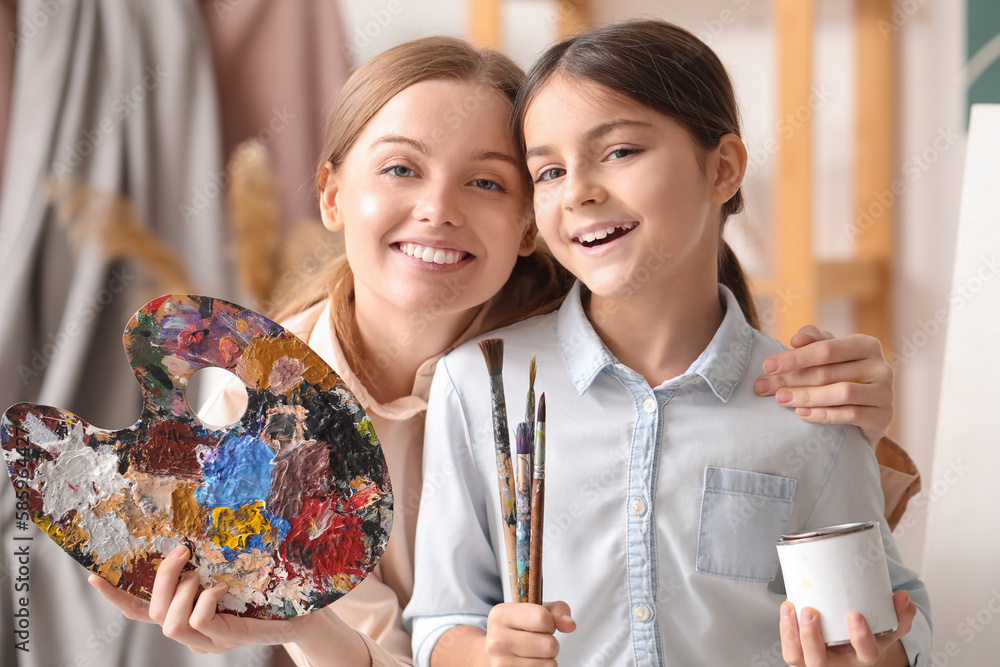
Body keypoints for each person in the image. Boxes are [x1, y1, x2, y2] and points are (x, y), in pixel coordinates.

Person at [91, 35, 918, 667]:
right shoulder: (257, 414)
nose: (438, 210)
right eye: (401, 169)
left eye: (488, 180)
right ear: (333, 193)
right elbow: (418, 638)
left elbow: (838, 553)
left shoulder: (617, 314)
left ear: (525, 228)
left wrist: (866, 410)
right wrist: (300, 621)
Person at [405, 21, 931, 667]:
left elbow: (889, 612)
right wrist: (486, 653)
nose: (578, 191)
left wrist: (884, 653)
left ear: (724, 169)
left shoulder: (808, 403)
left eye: (620, 151)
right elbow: (439, 618)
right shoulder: (479, 382)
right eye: (547, 170)